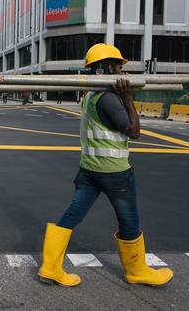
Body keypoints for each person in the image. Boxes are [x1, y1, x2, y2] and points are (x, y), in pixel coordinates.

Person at [37, 43, 173, 287]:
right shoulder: (109, 98)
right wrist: (127, 98)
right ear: (107, 68)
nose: (123, 73)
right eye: (119, 67)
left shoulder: (90, 95)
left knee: (72, 215)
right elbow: (134, 131)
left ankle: (50, 266)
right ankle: (137, 270)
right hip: (114, 173)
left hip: (89, 170)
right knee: (129, 220)